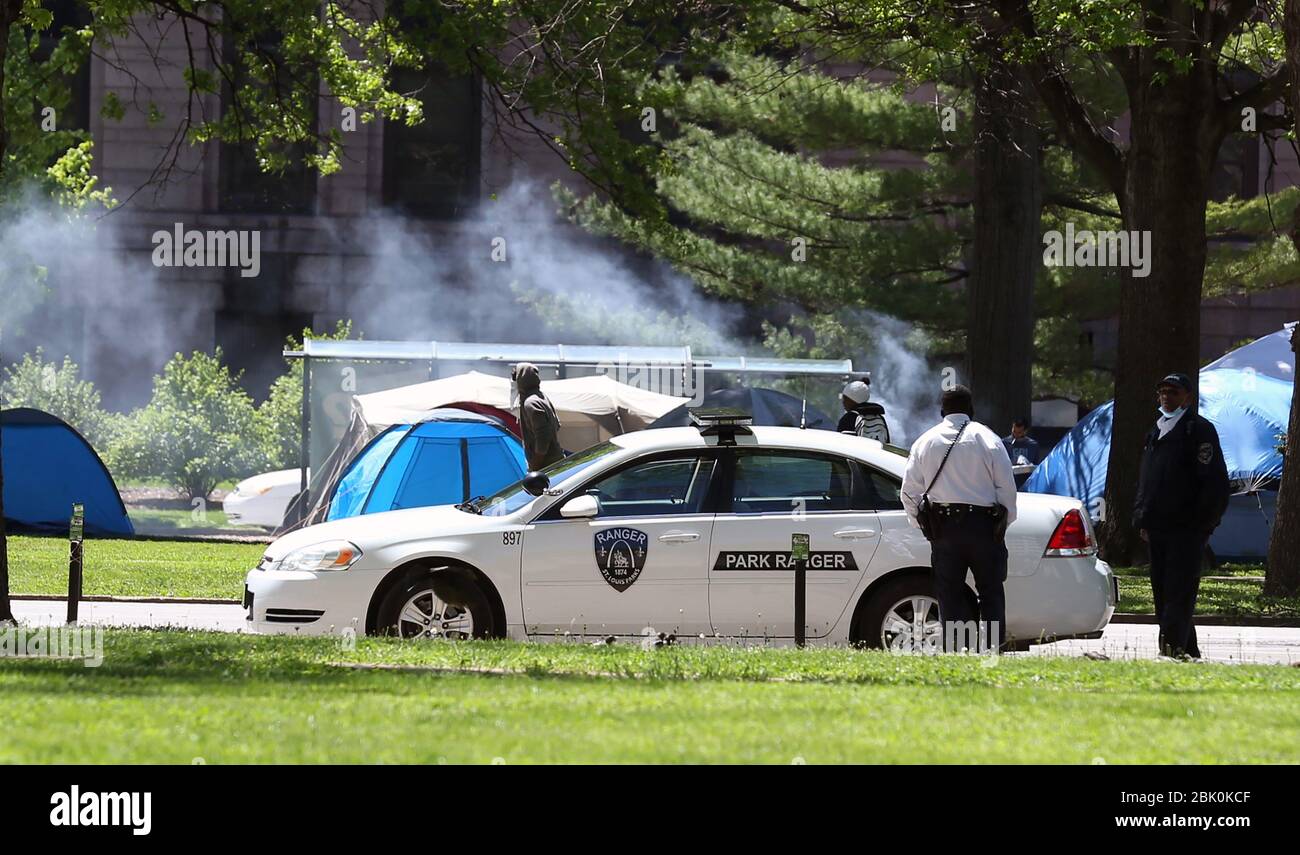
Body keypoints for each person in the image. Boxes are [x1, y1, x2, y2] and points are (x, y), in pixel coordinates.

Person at [901, 386, 1017, 653]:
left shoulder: (925, 441)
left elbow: (909, 492)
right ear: (971, 410)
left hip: (943, 527)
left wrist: (921, 523)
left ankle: (956, 651)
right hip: (983, 526)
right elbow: (1006, 490)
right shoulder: (988, 439)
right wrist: (1002, 523)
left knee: (949, 594)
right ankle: (991, 652)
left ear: (942, 411)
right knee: (990, 592)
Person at [1132, 372, 1230, 660]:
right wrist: (1141, 517)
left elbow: (1213, 481)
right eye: (1162, 391)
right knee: (1163, 591)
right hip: (1158, 527)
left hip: (1186, 528)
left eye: (1173, 392)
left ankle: (1170, 651)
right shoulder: (1156, 431)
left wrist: (1204, 523)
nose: (1166, 397)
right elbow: (1146, 478)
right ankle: (1188, 651)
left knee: (1179, 591)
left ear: (1187, 397)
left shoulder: (1198, 430)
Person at [513, 362, 565, 471]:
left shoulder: (530, 403)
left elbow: (543, 437)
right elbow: (557, 426)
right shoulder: (540, 397)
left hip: (546, 466)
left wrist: (535, 466)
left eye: (515, 377)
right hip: (555, 460)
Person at [838, 376, 890, 443]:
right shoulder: (880, 418)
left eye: (845, 399)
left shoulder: (848, 418)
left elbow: (840, 444)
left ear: (853, 400)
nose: (843, 402)